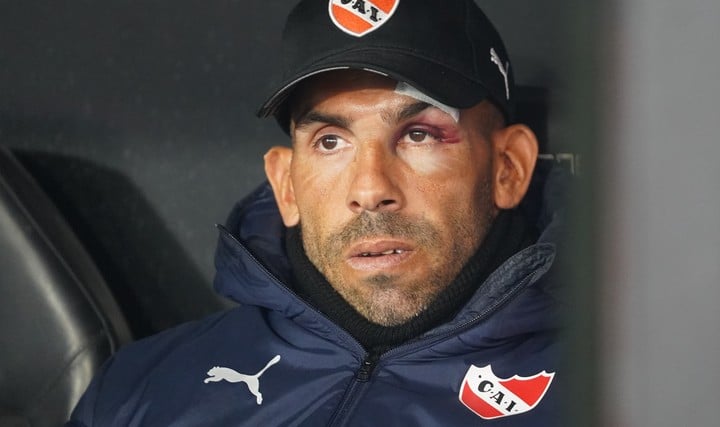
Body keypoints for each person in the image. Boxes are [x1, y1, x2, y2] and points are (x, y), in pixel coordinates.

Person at [67, 0, 567, 425]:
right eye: (330, 142)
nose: (370, 190)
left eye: (419, 135)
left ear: (508, 168)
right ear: (285, 185)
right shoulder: (137, 390)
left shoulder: (619, 392)